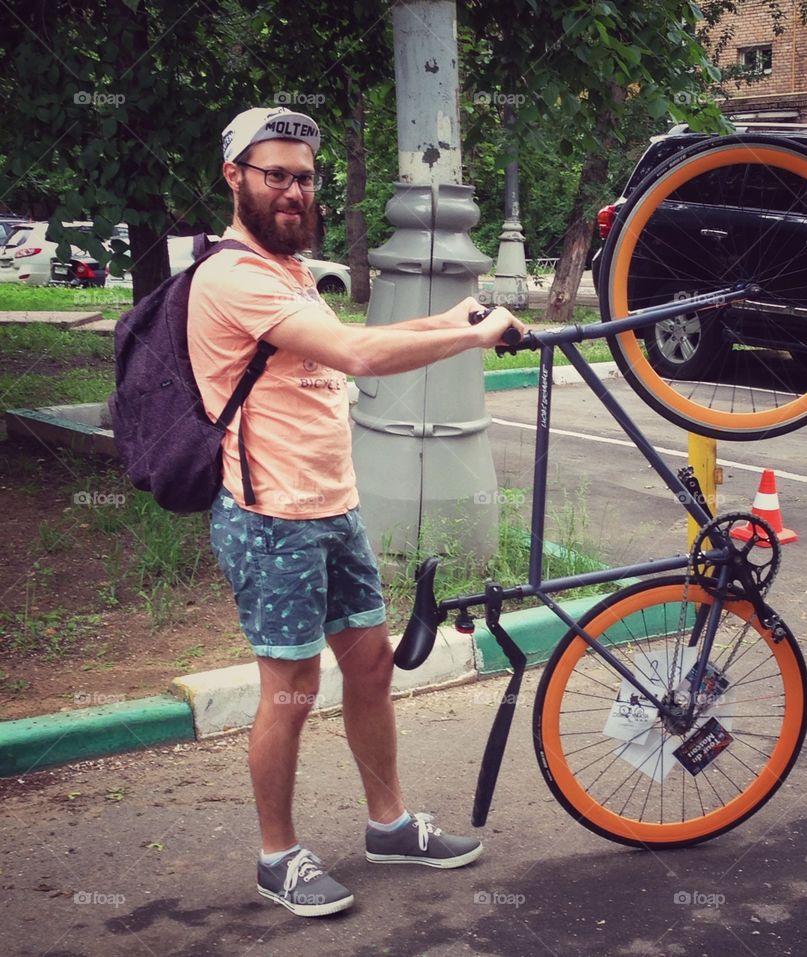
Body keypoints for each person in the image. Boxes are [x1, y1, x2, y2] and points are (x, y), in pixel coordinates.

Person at [187, 107, 524, 919]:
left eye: (304, 176)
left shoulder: (289, 270)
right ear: (236, 179)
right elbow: (361, 354)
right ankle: (277, 856)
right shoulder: (233, 276)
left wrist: (452, 318)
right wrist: (469, 340)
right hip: (272, 517)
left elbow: (346, 339)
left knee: (369, 666)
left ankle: (390, 824)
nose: (295, 191)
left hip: (331, 507)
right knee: (292, 687)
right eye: (276, 174)